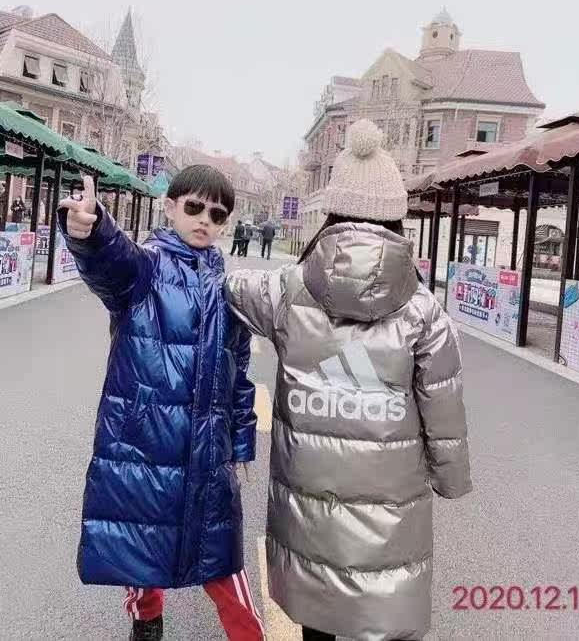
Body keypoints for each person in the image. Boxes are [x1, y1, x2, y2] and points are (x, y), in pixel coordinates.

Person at [225, 120, 472, 641]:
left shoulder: (286, 290)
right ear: (396, 216)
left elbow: (221, 286)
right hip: (390, 504)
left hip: (307, 502)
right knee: (380, 608)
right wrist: (450, 478)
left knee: (317, 614)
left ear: (332, 211)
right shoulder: (423, 310)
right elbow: (443, 405)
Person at [58, 165, 264, 641]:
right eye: (194, 207)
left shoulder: (227, 289)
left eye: (217, 214)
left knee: (224, 562)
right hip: (143, 445)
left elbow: (239, 375)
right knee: (141, 544)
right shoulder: (146, 268)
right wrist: (91, 230)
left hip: (207, 455)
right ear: (170, 207)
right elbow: (113, 261)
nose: (204, 219)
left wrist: (240, 445)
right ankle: (146, 618)